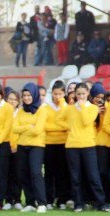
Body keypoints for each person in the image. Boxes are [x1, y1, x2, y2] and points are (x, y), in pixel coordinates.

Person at [57, 82, 110, 212]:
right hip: (72, 145)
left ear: (87, 94)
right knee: (75, 177)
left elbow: (86, 121)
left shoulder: (93, 108)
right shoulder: (69, 108)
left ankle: (101, 203)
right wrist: (69, 127)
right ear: (75, 94)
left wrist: (81, 107)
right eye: (78, 94)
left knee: (93, 176)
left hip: (88, 145)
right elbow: (58, 120)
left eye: (83, 94)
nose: (81, 96)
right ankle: (78, 203)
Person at [13, 83, 48, 212]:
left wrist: (24, 128)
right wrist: (28, 127)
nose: (27, 98)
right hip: (22, 145)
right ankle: (30, 202)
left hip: (36, 146)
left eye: (29, 95)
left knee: (35, 172)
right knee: (23, 174)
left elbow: (38, 130)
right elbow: (14, 128)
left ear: (34, 95)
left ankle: (42, 202)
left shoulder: (42, 110)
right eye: (24, 95)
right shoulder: (21, 111)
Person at [44, 80, 71, 208]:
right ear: (52, 94)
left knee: (62, 172)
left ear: (64, 93)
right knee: (49, 172)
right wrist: (59, 126)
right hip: (48, 143)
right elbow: (44, 126)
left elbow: (68, 126)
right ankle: (49, 199)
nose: (57, 97)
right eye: (55, 94)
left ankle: (61, 200)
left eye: (60, 94)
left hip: (63, 143)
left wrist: (55, 125)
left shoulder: (67, 108)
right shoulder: (46, 107)